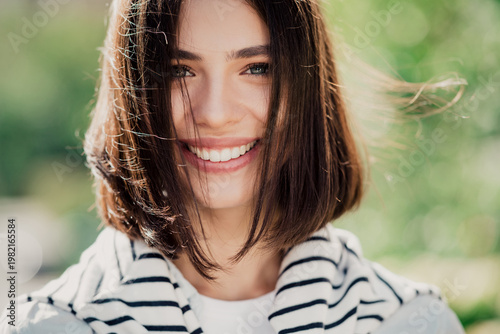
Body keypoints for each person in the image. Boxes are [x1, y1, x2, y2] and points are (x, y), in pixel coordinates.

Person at [1, 0, 465, 333]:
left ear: (308, 89)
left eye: (256, 68)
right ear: (132, 95)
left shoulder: (407, 321)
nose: (215, 112)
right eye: (178, 70)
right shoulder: (51, 324)